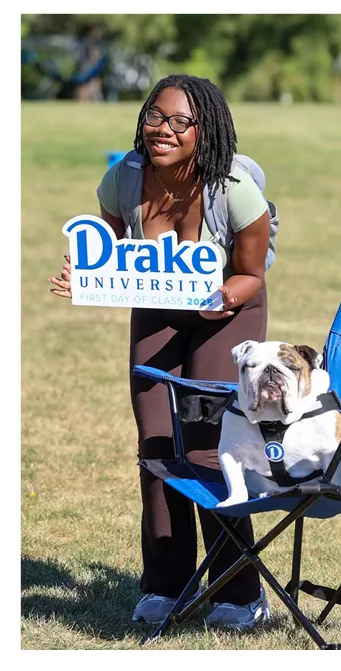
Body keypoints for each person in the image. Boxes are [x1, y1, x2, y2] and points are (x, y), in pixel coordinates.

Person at [49, 74, 273, 630]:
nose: (163, 130)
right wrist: (86, 273)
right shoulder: (124, 178)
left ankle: (238, 592)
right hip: (156, 305)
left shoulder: (233, 186)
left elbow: (251, 274)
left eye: (179, 122)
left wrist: (224, 296)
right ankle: (166, 586)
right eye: (155, 116)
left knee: (206, 445)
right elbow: (108, 249)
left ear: (205, 130)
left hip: (227, 311)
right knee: (155, 444)